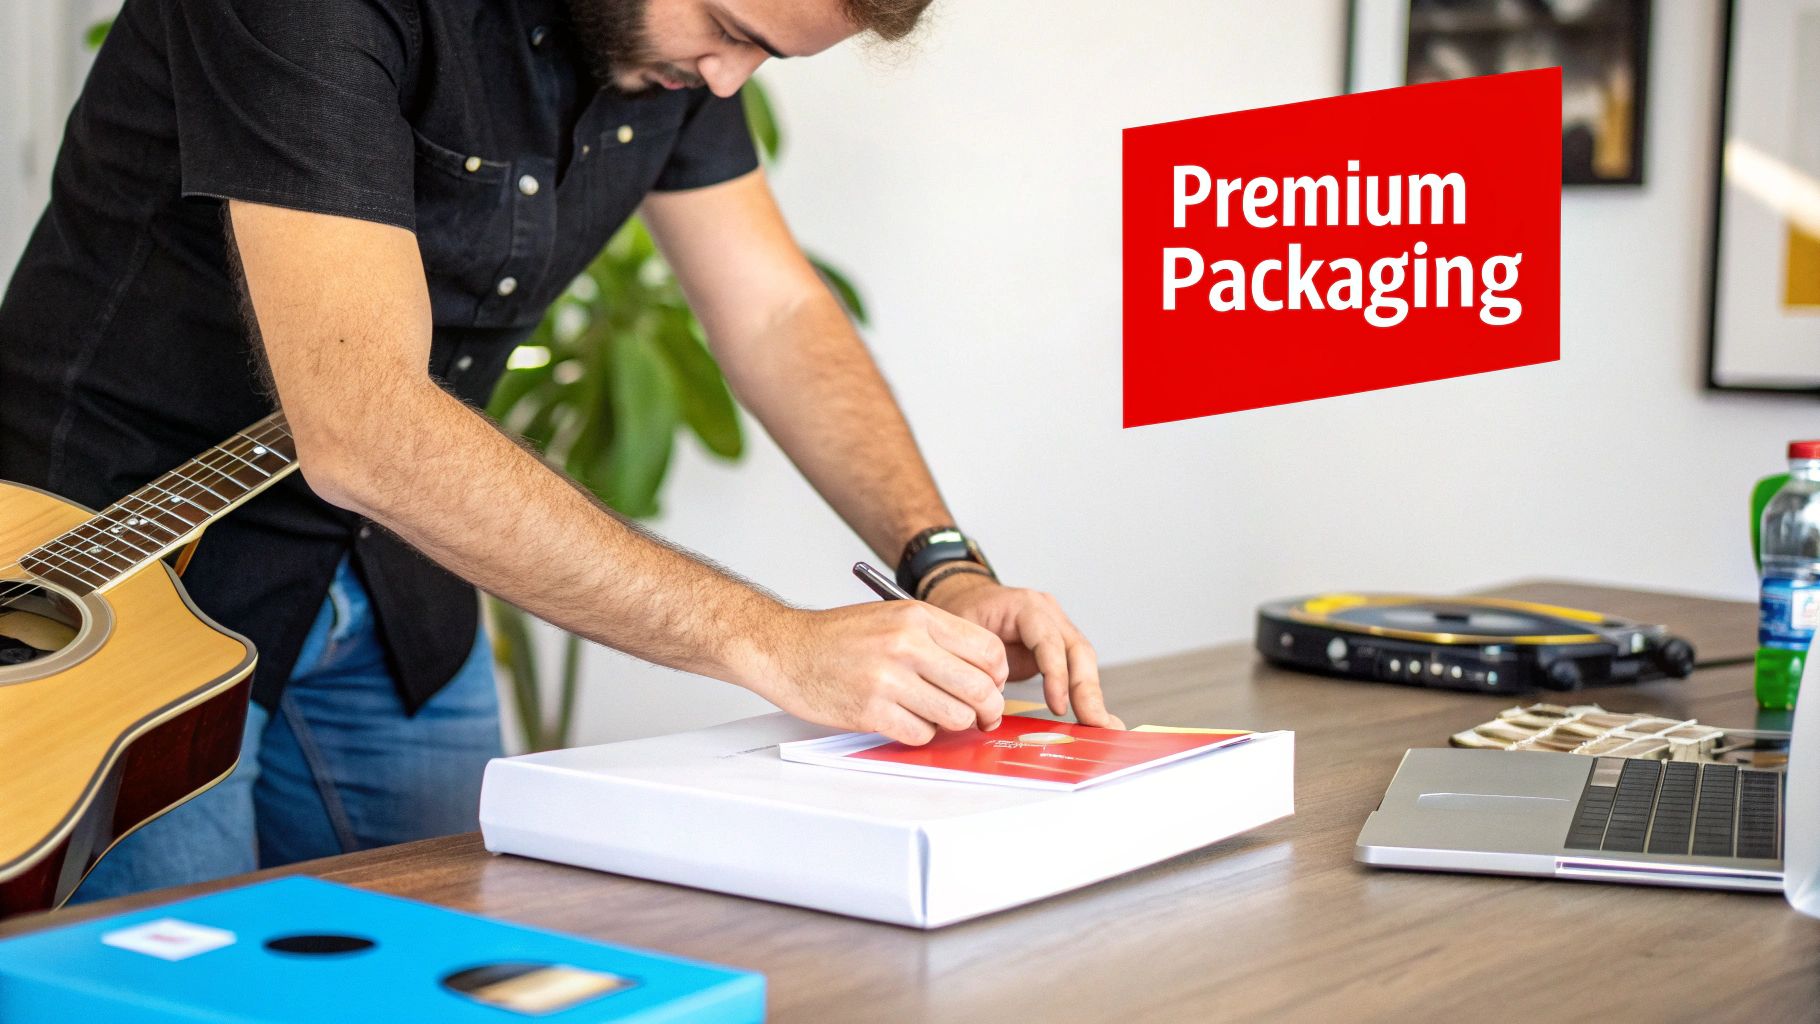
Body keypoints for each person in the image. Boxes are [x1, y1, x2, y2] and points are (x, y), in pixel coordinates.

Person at [0, 0, 1122, 903]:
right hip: (107, 580)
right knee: (183, 987)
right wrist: (771, 642)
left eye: (764, 59)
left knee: (459, 968)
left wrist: (942, 562)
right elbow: (365, 426)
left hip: (397, 571)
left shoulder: (672, 51)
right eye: (731, 33)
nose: (731, 79)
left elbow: (776, 311)